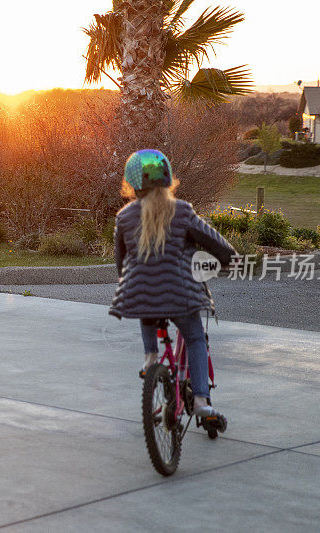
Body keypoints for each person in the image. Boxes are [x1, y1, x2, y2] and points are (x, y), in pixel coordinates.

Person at [109, 149, 236, 418]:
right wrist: (228, 261)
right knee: (194, 337)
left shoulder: (124, 217)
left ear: (132, 183)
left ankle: (150, 359)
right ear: (168, 179)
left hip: (140, 296)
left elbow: (121, 265)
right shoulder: (181, 211)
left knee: (146, 300)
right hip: (181, 296)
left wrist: (130, 279)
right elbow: (217, 244)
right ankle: (201, 400)